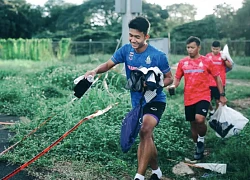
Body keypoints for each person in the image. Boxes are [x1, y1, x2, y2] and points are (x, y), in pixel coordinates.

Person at [84, 16, 173, 180]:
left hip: (155, 100)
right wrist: (94, 70)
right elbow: (108, 64)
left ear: (146, 36)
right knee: (148, 137)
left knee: (145, 130)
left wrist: (155, 84)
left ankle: (139, 176)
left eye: (137, 36)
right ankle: (156, 171)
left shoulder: (158, 55)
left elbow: (170, 78)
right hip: (137, 103)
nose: (133, 39)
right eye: (130, 35)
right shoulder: (126, 50)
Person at [168, 36, 227, 160]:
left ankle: (201, 139)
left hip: (203, 95)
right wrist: (174, 85)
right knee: (193, 124)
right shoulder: (183, 62)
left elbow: (217, 78)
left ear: (199, 47)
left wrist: (222, 95)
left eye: (192, 47)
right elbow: (178, 77)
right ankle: (197, 146)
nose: (190, 50)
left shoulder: (207, 61)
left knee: (199, 119)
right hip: (188, 97)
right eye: (188, 47)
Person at [206, 41, 233, 117]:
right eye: (214, 49)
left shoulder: (223, 56)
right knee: (206, 99)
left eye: (217, 49)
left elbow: (230, 66)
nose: (215, 51)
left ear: (220, 48)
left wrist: (224, 59)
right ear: (211, 48)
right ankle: (211, 110)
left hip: (220, 82)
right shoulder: (208, 56)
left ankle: (216, 116)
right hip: (209, 82)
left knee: (219, 101)